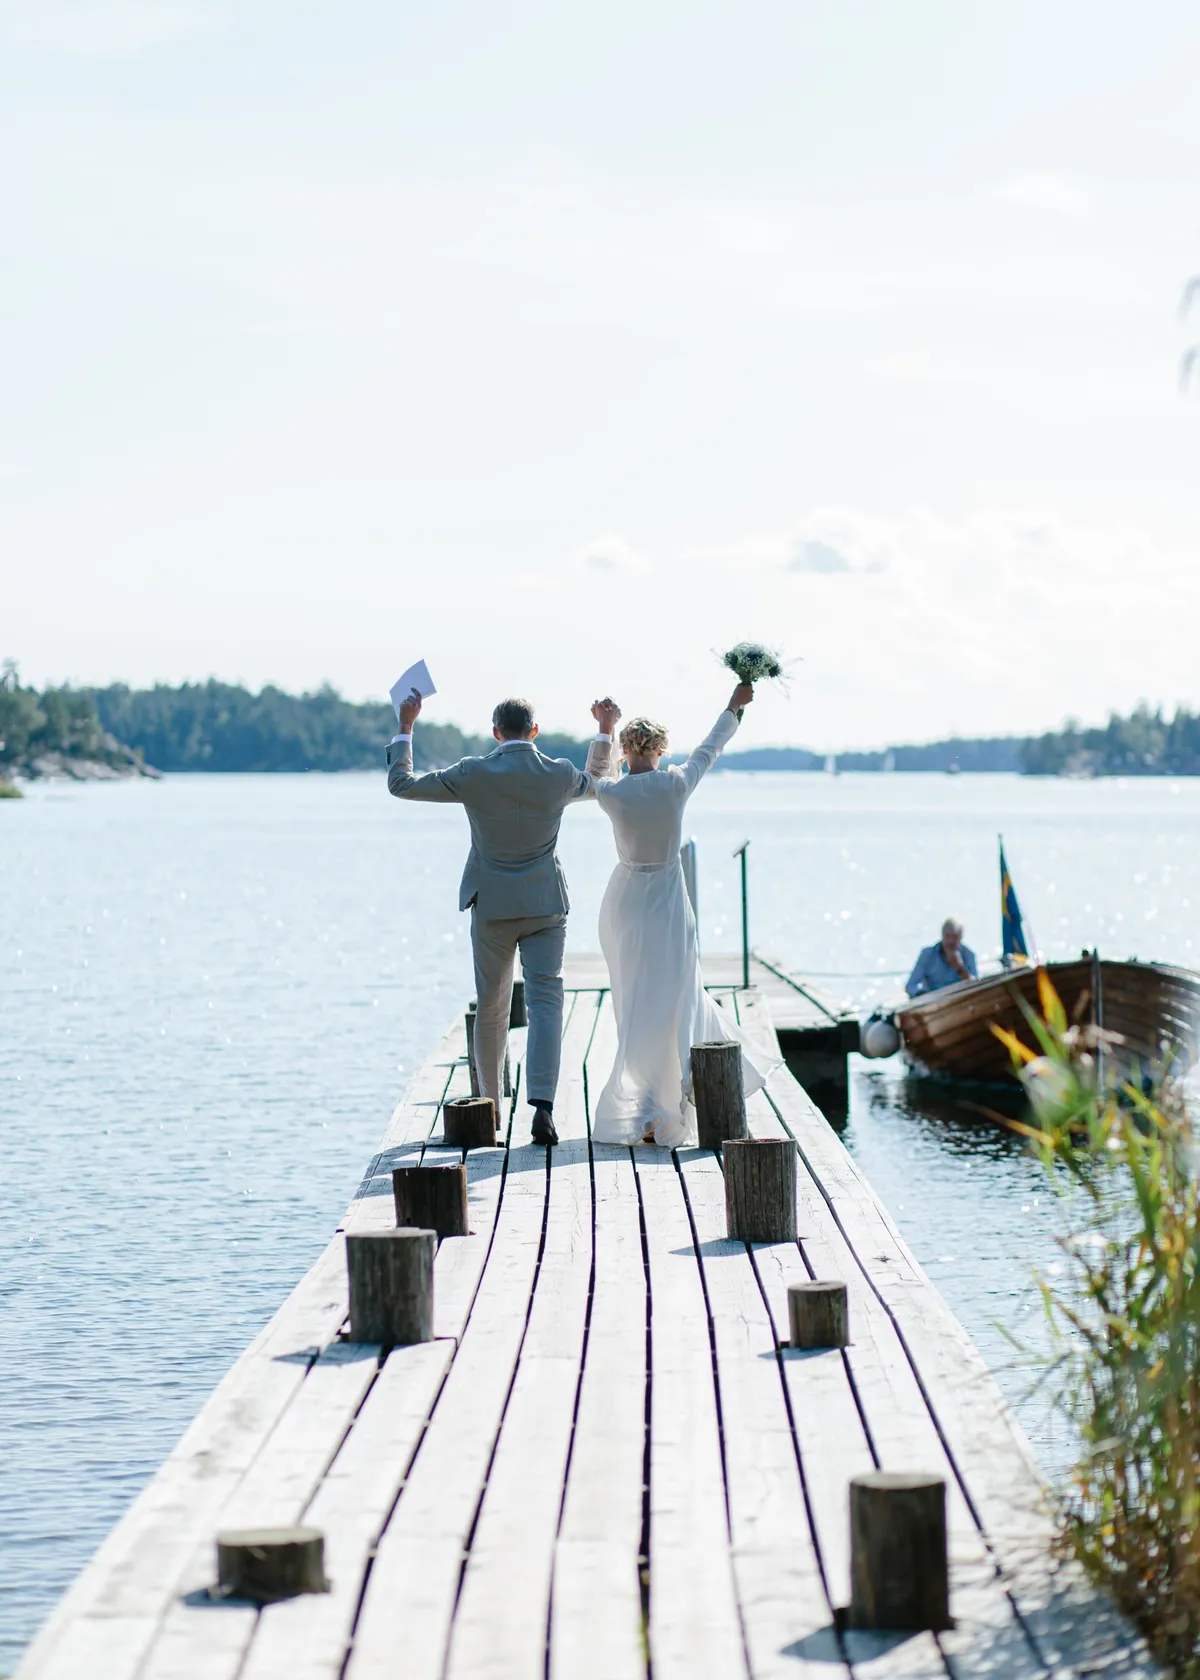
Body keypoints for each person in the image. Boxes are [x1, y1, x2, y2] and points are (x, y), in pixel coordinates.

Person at [388, 690, 620, 1146]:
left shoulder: (473, 772)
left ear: (496, 733)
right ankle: (543, 1108)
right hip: (546, 906)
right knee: (547, 1005)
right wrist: (605, 730)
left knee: (491, 1008)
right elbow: (600, 782)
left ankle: (489, 1110)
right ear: (534, 731)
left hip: (492, 906)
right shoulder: (557, 773)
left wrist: (406, 725)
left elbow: (403, 784)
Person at [591, 683, 781, 1148]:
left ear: (625, 749)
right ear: (659, 749)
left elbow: (592, 773)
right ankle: (673, 1100)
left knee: (635, 1000)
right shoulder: (675, 784)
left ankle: (648, 1105)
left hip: (627, 903)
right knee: (678, 993)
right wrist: (735, 706)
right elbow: (710, 748)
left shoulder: (612, 794)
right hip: (668, 901)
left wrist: (603, 729)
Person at [905, 919, 978, 997]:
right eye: (947, 936)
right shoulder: (928, 955)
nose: (950, 941)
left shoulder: (968, 955)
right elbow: (910, 986)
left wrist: (960, 968)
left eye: (954, 937)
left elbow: (977, 986)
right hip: (934, 1001)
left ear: (960, 938)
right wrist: (922, 995)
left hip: (960, 998)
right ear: (942, 936)